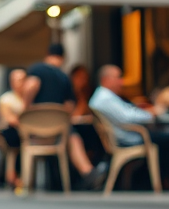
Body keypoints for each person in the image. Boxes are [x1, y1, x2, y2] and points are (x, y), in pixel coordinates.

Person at [24, 45, 108, 190]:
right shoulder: (64, 77)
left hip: (33, 131)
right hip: (57, 132)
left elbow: (31, 86)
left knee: (71, 136)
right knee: (73, 137)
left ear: (47, 54)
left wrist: (26, 108)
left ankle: (28, 182)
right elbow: (69, 107)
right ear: (63, 58)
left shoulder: (37, 69)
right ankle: (87, 172)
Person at [90, 66, 169, 150]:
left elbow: (125, 114)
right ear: (106, 80)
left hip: (128, 135)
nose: (121, 82)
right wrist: (151, 113)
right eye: (118, 77)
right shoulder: (104, 97)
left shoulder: (103, 96)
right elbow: (127, 117)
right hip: (130, 138)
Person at [0, 68, 26, 189]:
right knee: (15, 142)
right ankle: (14, 178)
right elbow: (10, 119)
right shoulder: (6, 99)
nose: (20, 82)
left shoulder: (28, 98)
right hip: (11, 133)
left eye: (23, 79)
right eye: (17, 80)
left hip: (27, 133)